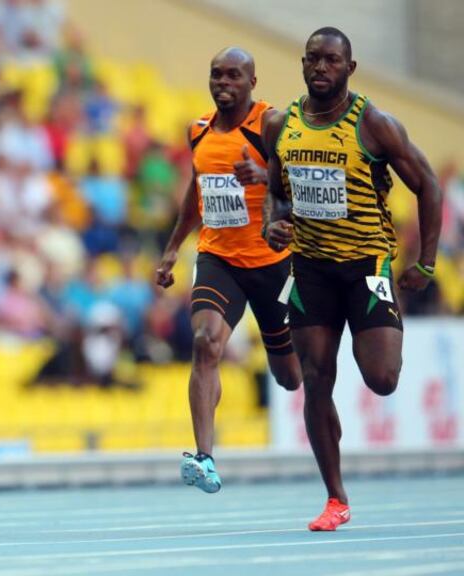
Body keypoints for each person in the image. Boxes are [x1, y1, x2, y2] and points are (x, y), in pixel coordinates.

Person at [264, 27, 442, 531]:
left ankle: (338, 492)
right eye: (312, 59)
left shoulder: (374, 125)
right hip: (311, 269)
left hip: (366, 268)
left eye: (331, 61)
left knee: (382, 380)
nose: (321, 68)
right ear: (302, 64)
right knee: (316, 380)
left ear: (350, 68)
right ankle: (335, 499)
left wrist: (425, 262)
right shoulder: (282, 124)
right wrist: (272, 223)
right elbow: (275, 191)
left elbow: (427, 184)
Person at [156, 48, 302, 495]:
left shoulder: (270, 123)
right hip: (219, 259)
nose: (223, 82)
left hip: (273, 265)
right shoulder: (197, 130)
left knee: (289, 376)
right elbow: (197, 191)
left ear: (252, 82)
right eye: (216, 74)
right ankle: (204, 457)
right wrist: (171, 248)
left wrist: (262, 174)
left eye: (233, 75)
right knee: (205, 342)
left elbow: (301, 179)